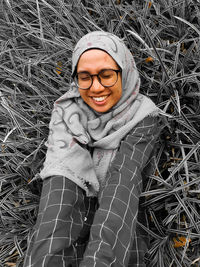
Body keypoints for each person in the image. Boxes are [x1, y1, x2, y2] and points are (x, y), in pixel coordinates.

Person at [23, 31, 160, 267]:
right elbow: (60, 182)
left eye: (106, 75)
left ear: (124, 70)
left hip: (121, 213)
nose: (96, 88)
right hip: (78, 208)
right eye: (85, 77)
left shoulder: (143, 117)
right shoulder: (68, 112)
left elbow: (123, 182)